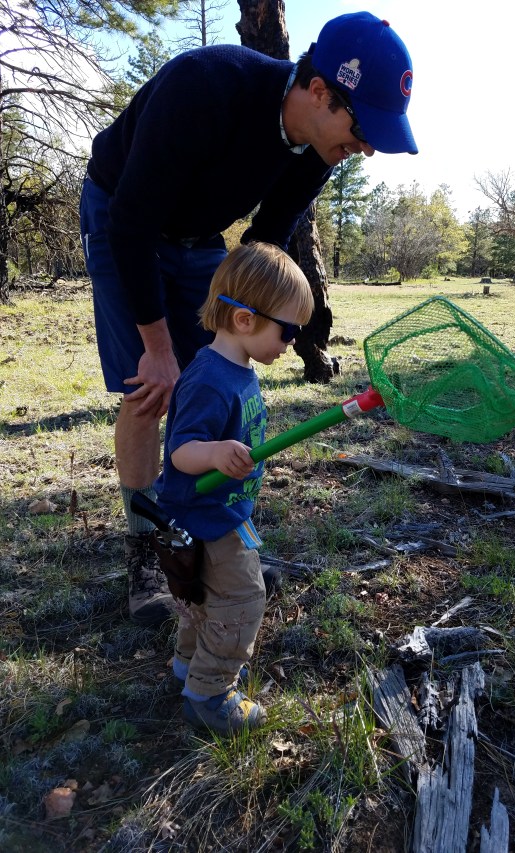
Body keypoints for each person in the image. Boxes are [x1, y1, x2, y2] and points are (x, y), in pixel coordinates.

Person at [79, 11, 417, 626]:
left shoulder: (318, 150)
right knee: (149, 388)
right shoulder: (206, 87)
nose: (367, 147)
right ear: (320, 91)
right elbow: (131, 223)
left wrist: (262, 322)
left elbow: (266, 241)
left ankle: (211, 539)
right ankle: (147, 549)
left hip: (198, 235)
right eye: (363, 127)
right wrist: (159, 348)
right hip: (121, 212)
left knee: (218, 372)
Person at [154, 241, 313, 734]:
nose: (291, 343)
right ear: (245, 320)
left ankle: (189, 665)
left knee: (205, 597)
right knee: (243, 597)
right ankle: (210, 692)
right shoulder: (209, 379)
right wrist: (216, 453)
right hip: (208, 516)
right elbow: (181, 452)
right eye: (288, 331)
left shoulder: (238, 368)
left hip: (222, 509)